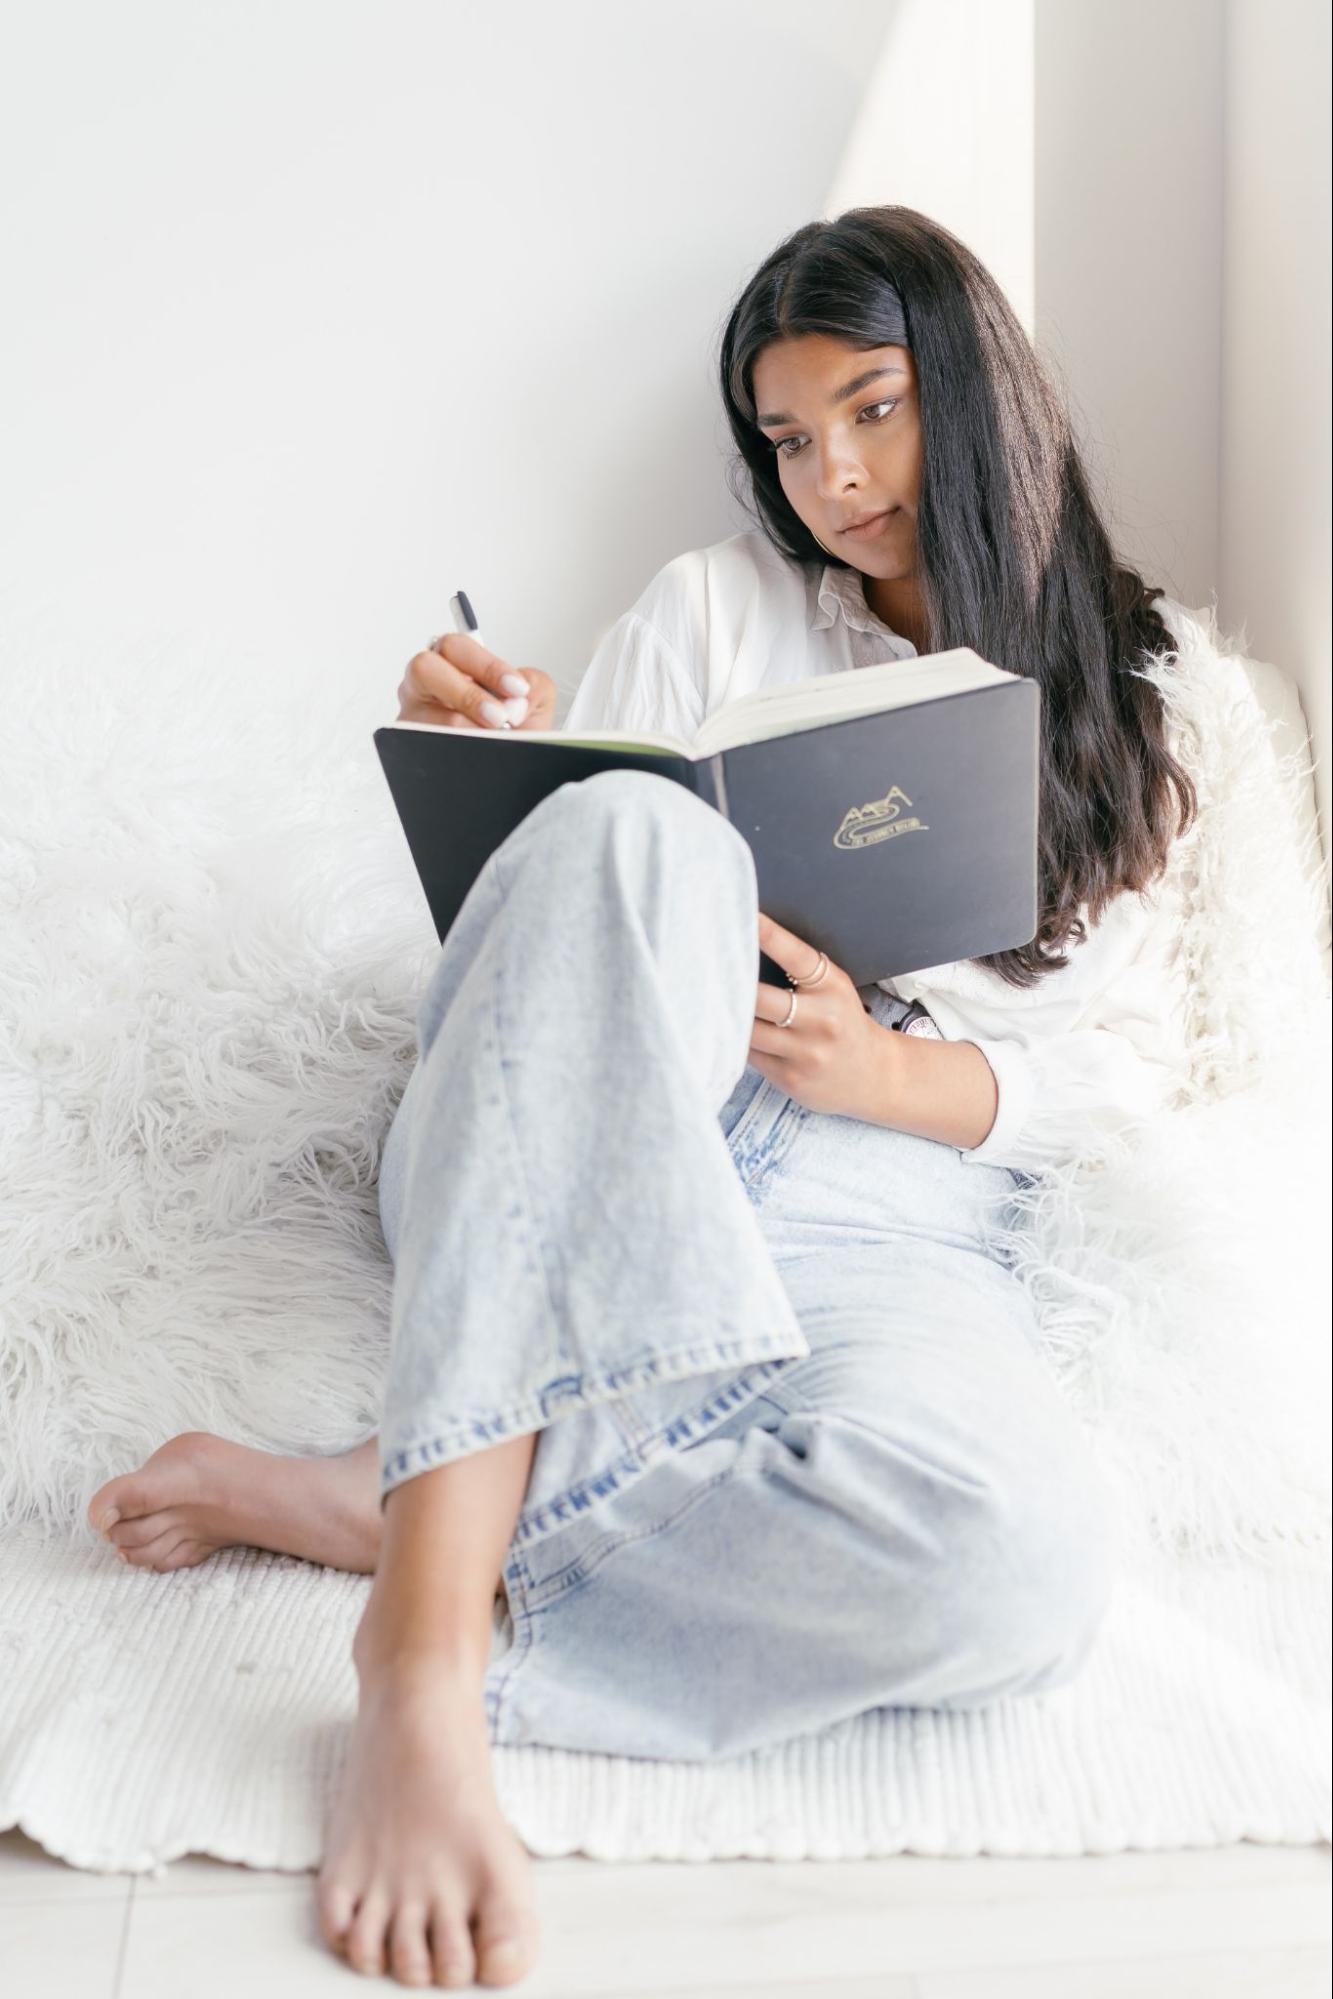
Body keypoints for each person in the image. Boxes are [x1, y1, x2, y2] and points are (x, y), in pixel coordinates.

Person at [86, 205, 1198, 1989]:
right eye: (786, 437)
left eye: (873, 409)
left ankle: (400, 1488)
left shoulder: (1137, 688)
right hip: (609, 1147)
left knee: (1017, 1569)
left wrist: (888, 1069)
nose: (829, 473)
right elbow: (547, 961)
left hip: (885, 1213)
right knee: (627, 829)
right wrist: (491, 768)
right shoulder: (709, 608)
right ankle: (420, 1656)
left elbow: (1126, 1082)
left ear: (978, 398)